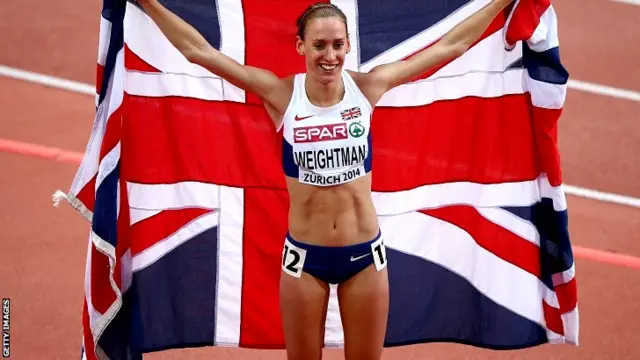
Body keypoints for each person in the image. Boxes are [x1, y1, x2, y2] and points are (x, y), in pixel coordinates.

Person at [136, 1, 514, 359]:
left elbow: (452, 45)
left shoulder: (368, 88)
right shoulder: (282, 94)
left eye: (336, 45)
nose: (329, 56)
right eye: (319, 45)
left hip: (365, 257)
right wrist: (148, 4)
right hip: (304, 262)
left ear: (348, 45)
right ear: (301, 46)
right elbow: (199, 51)